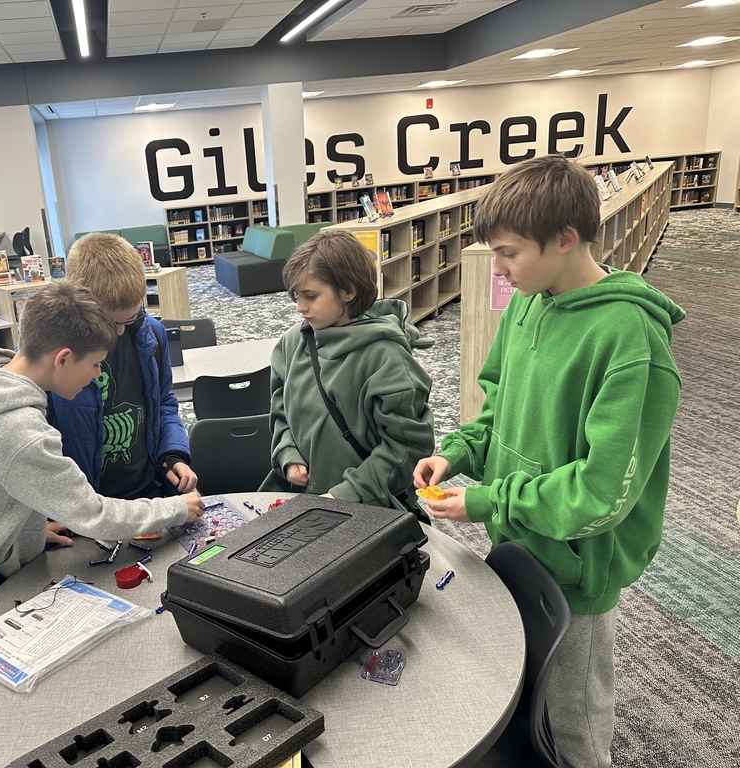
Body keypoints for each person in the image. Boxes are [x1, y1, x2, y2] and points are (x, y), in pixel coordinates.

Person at [412, 154, 684, 768]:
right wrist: (456, 455)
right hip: (520, 539)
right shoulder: (532, 302)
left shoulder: (629, 339)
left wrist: (488, 501)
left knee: (577, 726)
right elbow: (498, 407)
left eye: (509, 253)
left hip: (577, 567)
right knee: (519, 695)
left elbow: (601, 494)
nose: (498, 269)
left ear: (566, 238)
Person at [0, 281, 203, 635]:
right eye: (96, 364)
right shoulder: (17, 430)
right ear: (63, 358)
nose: (98, 375)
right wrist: (177, 508)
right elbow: (95, 514)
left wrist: (28, 529)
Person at [260, 229, 435, 510]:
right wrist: (287, 453)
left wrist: (349, 493)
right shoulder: (293, 342)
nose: (300, 307)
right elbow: (280, 408)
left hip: (365, 508)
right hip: (301, 499)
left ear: (348, 292)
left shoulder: (385, 358)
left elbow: (407, 448)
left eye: (311, 296)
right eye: (296, 296)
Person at [48, 232, 196, 500]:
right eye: (108, 323)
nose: (118, 333)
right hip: (85, 505)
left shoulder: (152, 335)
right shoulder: (49, 354)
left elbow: (163, 403)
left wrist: (172, 455)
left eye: (128, 320)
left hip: (146, 494)